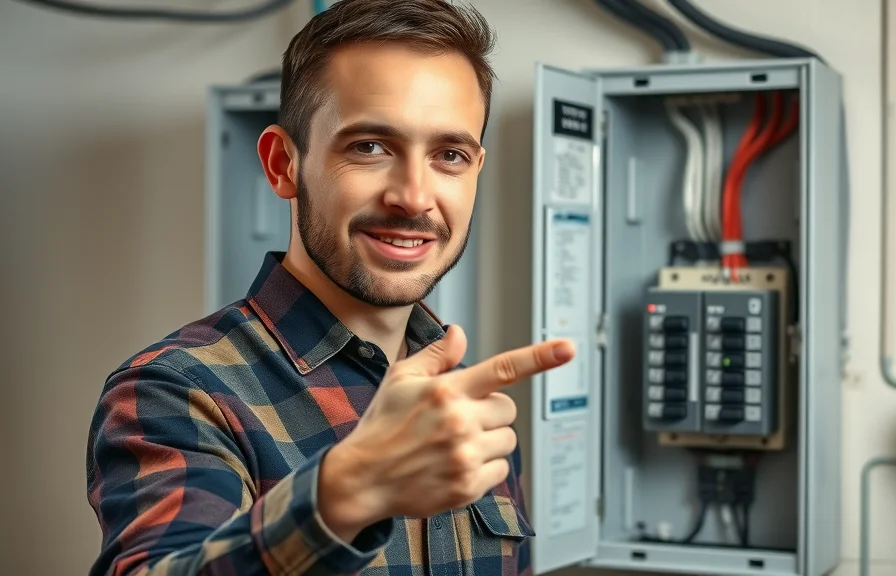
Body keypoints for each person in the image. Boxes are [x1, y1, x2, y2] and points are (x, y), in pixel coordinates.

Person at [84, 1, 576, 574]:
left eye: (449, 155)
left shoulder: (462, 404)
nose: (415, 196)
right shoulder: (176, 392)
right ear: (282, 164)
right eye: (369, 146)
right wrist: (346, 493)